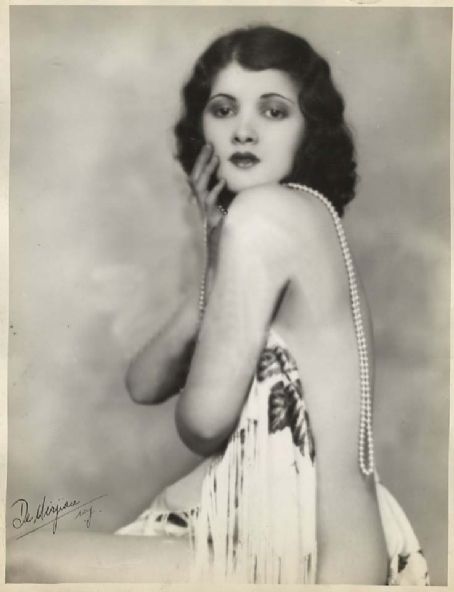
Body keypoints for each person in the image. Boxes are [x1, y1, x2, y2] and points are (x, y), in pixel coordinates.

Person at [6, 24, 430, 585]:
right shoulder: (302, 219)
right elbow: (143, 384)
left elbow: (203, 423)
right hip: (337, 544)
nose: (244, 131)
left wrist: (231, 248)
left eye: (274, 111)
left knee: (21, 563)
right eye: (224, 110)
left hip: (317, 561)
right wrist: (214, 263)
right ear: (202, 128)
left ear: (309, 130)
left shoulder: (265, 218)